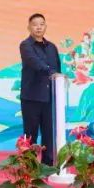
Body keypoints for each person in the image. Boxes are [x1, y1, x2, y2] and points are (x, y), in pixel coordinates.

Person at [20, 13, 63, 164]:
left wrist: (59, 80)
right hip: (31, 97)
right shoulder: (26, 45)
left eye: (41, 24)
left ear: (45, 26)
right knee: (30, 134)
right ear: (29, 27)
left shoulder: (52, 47)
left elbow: (57, 68)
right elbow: (35, 63)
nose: (38, 27)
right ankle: (29, 166)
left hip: (49, 98)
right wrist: (51, 72)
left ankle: (48, 165)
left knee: (49, 134)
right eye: (35, 24)